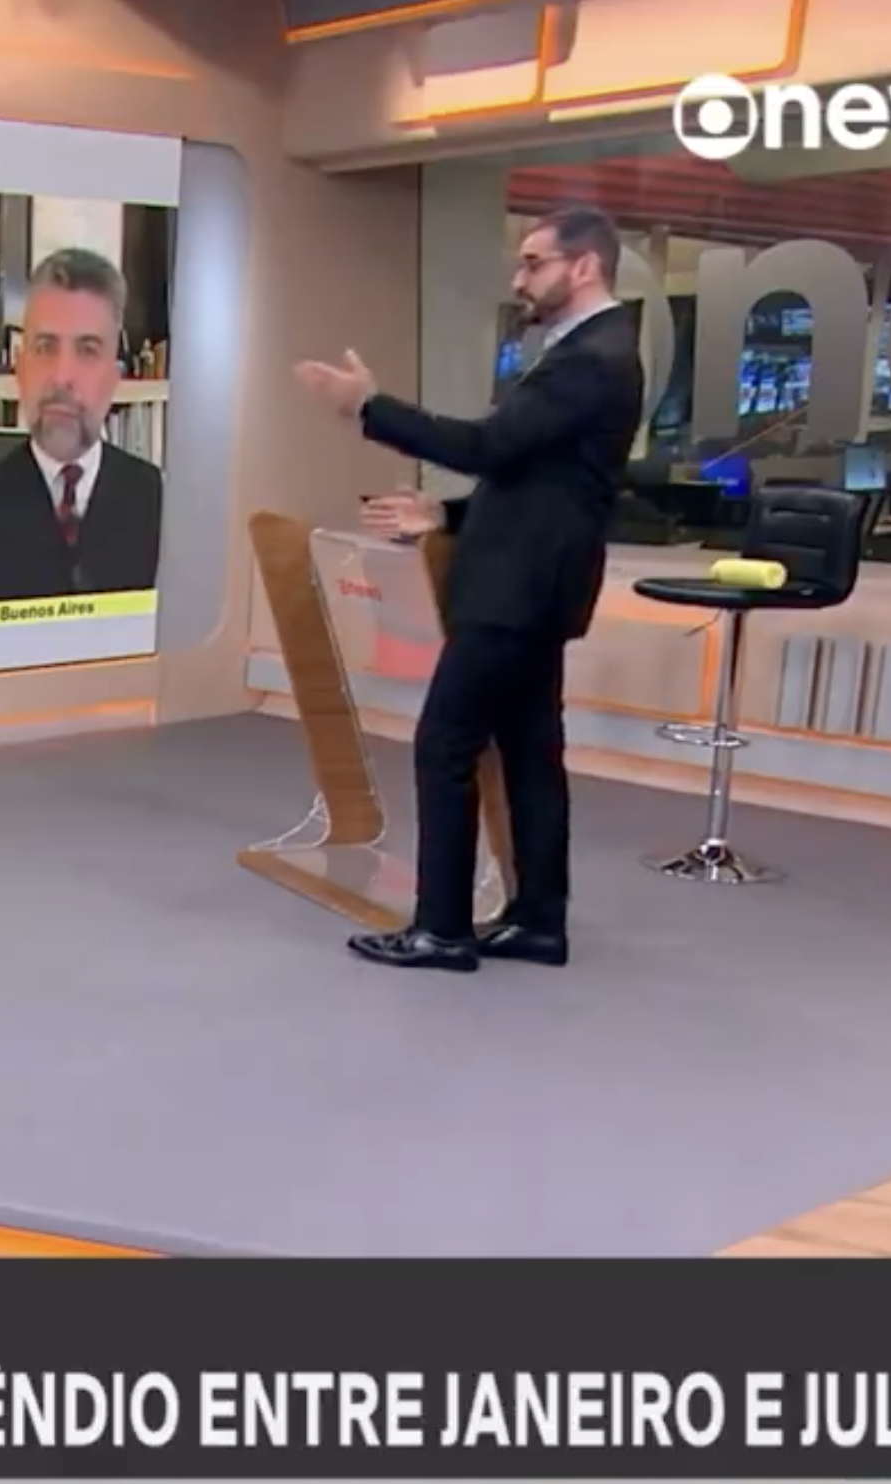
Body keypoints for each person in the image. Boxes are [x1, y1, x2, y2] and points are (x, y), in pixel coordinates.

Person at [293, 205, 644, 972]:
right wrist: (445, 514)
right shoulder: (591, 352)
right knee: (528, 754)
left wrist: (368, 406)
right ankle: (538, 922)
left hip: (517, 588)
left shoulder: (593, 358)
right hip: (535, 582)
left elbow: (488, 446)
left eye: (534, 262)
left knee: (446, 743)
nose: (520, 279)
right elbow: (536, 475)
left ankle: (443, 928)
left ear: (585, 266)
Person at [0, 247, 161, 603]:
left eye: (87, 350)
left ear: (114, 378)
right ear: (20, 368)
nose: (61, 376)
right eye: (45, 347)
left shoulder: (165, 508)